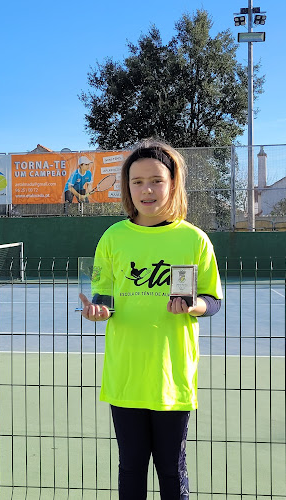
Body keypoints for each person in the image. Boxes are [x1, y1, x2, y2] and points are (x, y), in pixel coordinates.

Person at [79, 139, 222, 500]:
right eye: (137, 181)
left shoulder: (194, 239)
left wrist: (194, 307)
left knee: (172, 469)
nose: (146, 189)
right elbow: (104, 298)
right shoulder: (113, 237)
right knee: (130, 466)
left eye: (156, 180)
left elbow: (213, 300)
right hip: (125, 374)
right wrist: (97, 311)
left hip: (172, 376)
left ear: (173, 183)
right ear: (127, 187)